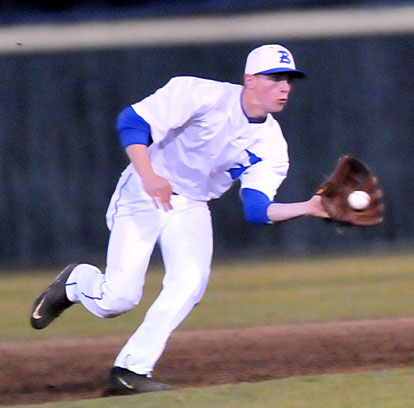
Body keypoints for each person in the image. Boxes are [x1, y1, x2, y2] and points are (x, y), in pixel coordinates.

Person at [30, 44, 329, 394]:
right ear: (250, 79)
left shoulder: (272, 144)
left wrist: (308, 207)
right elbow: (132, 121)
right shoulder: (201, 95)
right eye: (275, 78)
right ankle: (75, 282)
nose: (284, 87)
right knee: (119, 299)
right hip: (145, 187)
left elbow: (256, 209)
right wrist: (149, 176)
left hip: (192, 204)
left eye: (289, 80)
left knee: (190, 282)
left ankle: (130, 370)